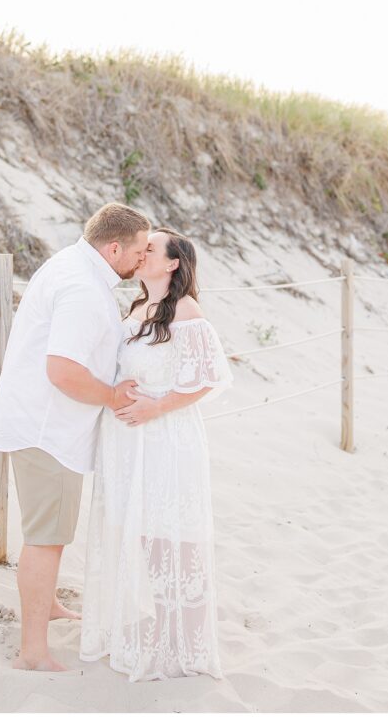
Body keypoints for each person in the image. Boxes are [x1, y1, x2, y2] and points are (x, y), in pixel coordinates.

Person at [0, 202, 151, 672]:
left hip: (39, 423)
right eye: (138, 251)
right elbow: (62, 371)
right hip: (46, 430)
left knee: (49, 531)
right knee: (46, 538)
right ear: (114, 247)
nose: (142, 259)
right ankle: (33, 652)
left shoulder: (74, 266)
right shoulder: (81, 288)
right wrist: (114, 396)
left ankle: (49, 605)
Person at [79, 227, 234, 681]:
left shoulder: (185, 310)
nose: (141, 253)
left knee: (171, 534)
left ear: (172, 264)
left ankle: (176, 643)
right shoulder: (136, 307)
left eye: (151, 249)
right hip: (129, 444)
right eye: (141, 248)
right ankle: (140, 630)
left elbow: (209, 378)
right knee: (137, 532)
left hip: (166, 438)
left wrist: (156, 407)